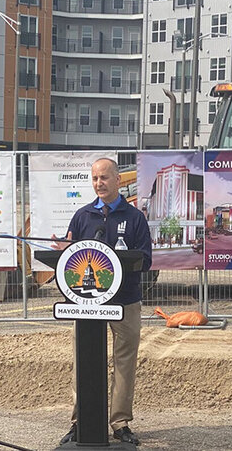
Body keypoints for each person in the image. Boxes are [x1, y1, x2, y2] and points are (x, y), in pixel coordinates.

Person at [55, 158, 152, 447]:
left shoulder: (134, 218)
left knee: (125, 363)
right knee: (82, 361)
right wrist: (63, 251)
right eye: (95, 178)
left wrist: (122, 261)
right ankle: (79, 421)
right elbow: (71, 256)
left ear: (118, 181)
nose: (99, 183)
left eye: (105, 178)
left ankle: (120, 423)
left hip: (125, 301)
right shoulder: (83, 216)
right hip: (87, 304)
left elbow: (146, 259)